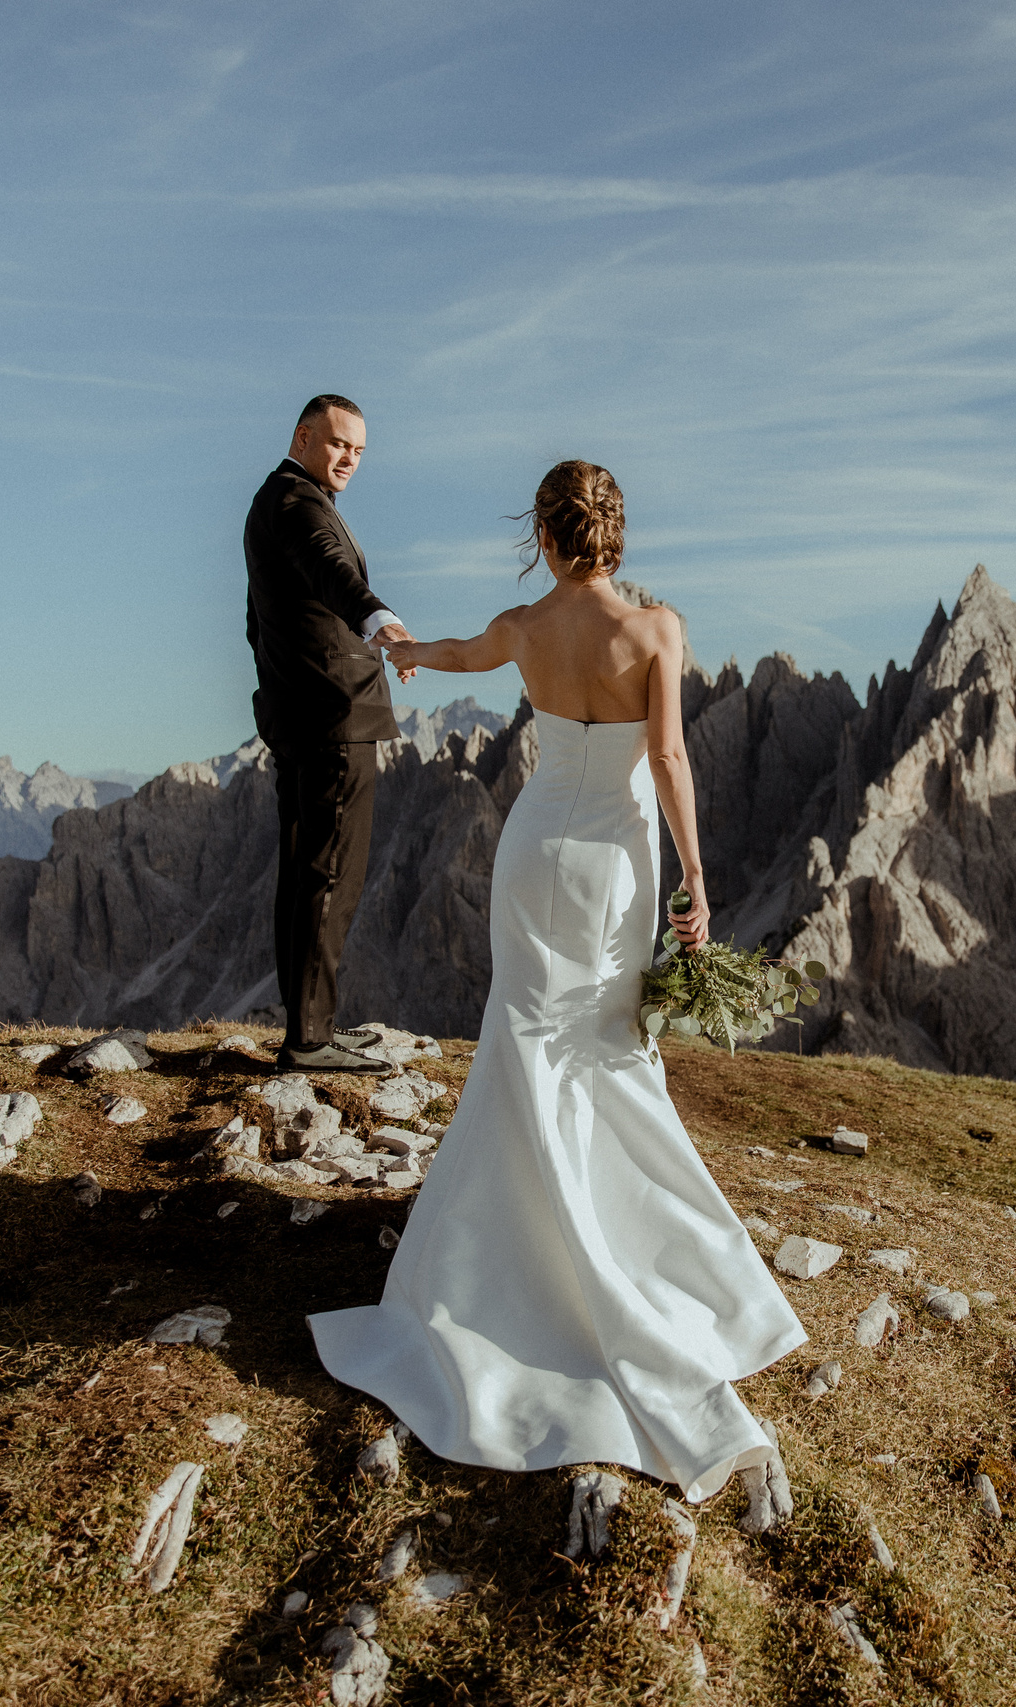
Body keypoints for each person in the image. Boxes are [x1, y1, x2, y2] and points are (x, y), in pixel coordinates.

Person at [307, 459, 806, 1502]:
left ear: (541, 534)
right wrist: (699, 884)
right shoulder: (657, 630)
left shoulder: (522, 628)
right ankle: (626, 1245)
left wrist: (399, 647)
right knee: (608, 1048)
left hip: (533, 851)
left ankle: (501, 1256)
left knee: (522, 1037)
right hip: (618, 858)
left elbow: (448, 654)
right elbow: (667, 758)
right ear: (614, 532)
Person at [244, 393, 417, 1076]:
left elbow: (261, 616)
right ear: (304, 435)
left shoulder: (276, 501)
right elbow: (333, 572)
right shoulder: (297, 504)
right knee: (330, 873)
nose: (349, 458)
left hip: (301, 711)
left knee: (305, 869)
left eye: (360, 450)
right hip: (334, 717)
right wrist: (381, 621)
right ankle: (311, 1041)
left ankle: (311, 1025)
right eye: (340, 443)